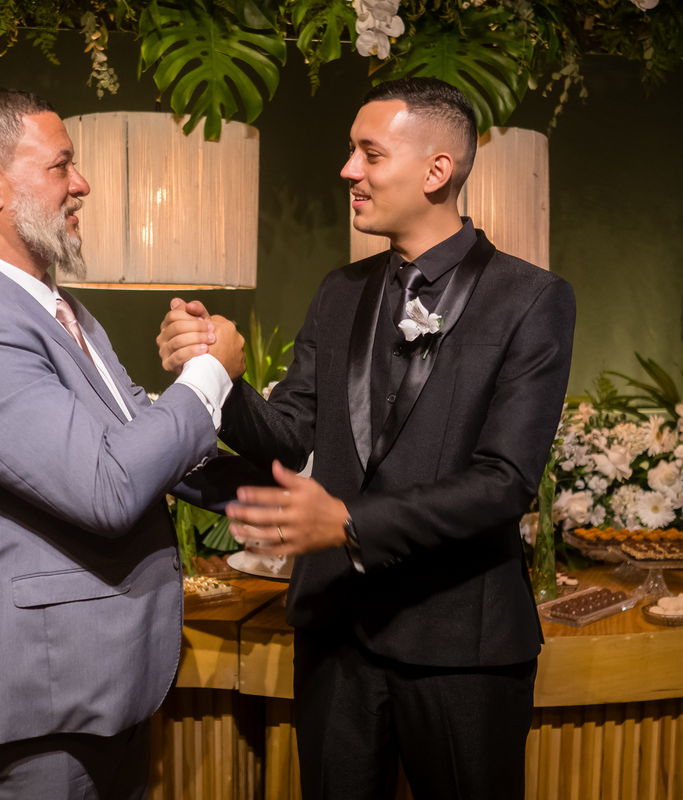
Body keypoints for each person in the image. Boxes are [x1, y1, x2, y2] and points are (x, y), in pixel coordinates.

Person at [158, 77, 576, 799]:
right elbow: (289, 433)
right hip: (337, 636)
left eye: (369, 153)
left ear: (436, 171)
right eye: (352, 152)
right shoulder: (339, 290)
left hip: (460, 645)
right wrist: (213, 370)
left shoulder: (532, 298)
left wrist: (349, 523)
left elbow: (505, 479)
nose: (348, 170)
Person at [0, 86, 245, 800]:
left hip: (99, 692)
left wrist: (288, 487)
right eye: (61, 166)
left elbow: (139, 439)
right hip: (27, 711)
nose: (81, 184)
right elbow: (108, 488)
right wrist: (210, 373)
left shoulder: (56, 305)